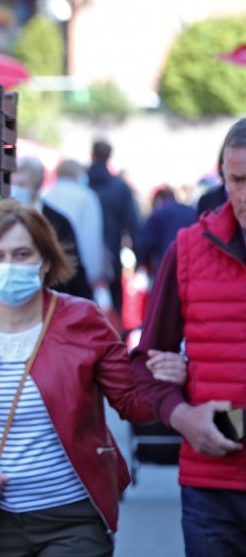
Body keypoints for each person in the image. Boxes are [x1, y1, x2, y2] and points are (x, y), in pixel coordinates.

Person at [0, 199, 168, 556]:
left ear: (46, 261)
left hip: (73, 519)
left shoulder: (83, 320)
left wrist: (164, 377)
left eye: (22, 254)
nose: (9, 266)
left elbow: (133, 403)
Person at [131, 118, 246, 556]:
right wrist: (181, 415)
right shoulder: (189, 247)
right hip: (211, 485)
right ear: (223, 177)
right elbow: (144, 361)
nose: (245, 195)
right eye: (237, 180)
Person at [10, 156, 93, 300]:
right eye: (13, 184)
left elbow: (75, 271)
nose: (15, 190)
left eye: (22, 185)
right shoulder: (2, 219)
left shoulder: (59, 222)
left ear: (38, 186)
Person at [43, 159, 113, 311]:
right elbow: (91, 238)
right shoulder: (87, 197)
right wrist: (94, 274)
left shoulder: (47, 195)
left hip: (51, 267)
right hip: (78, 268)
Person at [87, 140, 141, 315]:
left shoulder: (83, 184)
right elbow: (133, 224)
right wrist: (139, 258)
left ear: (92, 155)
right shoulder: (120, 187)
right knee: (113, 312)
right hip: (111, 254)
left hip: (80, 258)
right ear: (109, 157)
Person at [134, 186, 195, 277]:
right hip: (191, 264)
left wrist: (143, 263)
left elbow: (146, 244)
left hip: (167, 266)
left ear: (158, 199)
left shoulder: (158, 214)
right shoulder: (191, 211)